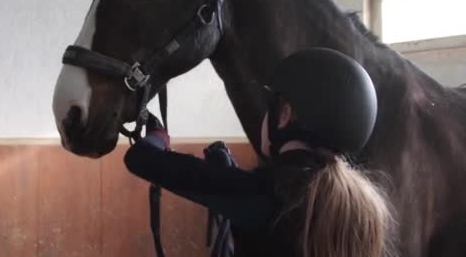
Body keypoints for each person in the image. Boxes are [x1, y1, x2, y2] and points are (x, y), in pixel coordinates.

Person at [124, 48, 395, 257]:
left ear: (285, 114)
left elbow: (140, 159)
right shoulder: (363, 205)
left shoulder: (263, 192)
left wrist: (158, 137)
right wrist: (228, 174)